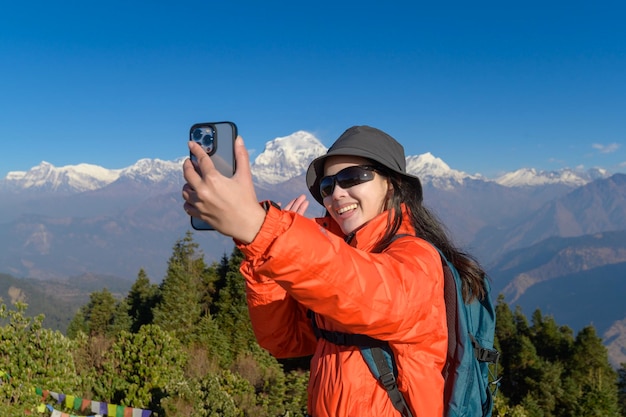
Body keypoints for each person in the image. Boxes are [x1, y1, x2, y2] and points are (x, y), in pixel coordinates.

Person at [182, 125, 488, 417]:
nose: (336, 194)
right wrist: (265, 268)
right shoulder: (342, 261)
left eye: (354, 177)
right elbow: (284, 341)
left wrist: (261, 231)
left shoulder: (417, 259)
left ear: (392, 184)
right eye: (327, 186)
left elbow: (371, 295)